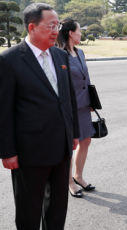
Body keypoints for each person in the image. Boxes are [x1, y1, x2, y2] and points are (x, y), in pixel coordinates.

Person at [0, 3, 79, 229]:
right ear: (32, 27)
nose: (56, 30)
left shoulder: (60, 56)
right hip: (29, 152)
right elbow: (3, 111)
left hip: (61, 147)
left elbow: (68, 98)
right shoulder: (9, 60)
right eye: (51, 25)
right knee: (29, 209)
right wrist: (7, 151)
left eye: (58, 25)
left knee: (57, 206)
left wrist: (73, 133)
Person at [57, 18, 96, 198]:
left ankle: (78, 175)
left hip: (84, 104)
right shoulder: (59, 54)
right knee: (70, 145)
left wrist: (91, 102)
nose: (81, 33)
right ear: (71, 33)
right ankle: (69, 181)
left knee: (86, 140)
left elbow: (86, 80)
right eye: (79, 30)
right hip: (69, 107)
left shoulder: (80, 53)